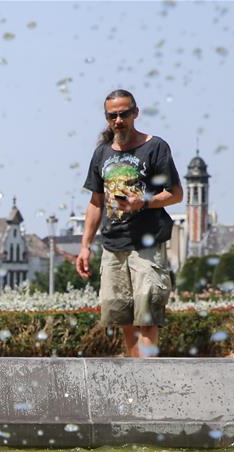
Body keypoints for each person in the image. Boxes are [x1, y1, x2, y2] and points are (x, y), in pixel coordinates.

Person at [76, 89, 183, 357]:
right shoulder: (101, 153)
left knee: (147, 316)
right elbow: (95, 202)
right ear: (107, 118)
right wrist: (85, 246)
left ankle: (150, 381)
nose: (119, 120)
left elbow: (176, 193)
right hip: (113, 246)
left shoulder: (155, 147)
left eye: (124, 114)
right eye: (113, 116)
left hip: (146, 245)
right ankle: (138, 382)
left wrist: (143, 202)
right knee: (123, 319)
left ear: (136, 113)